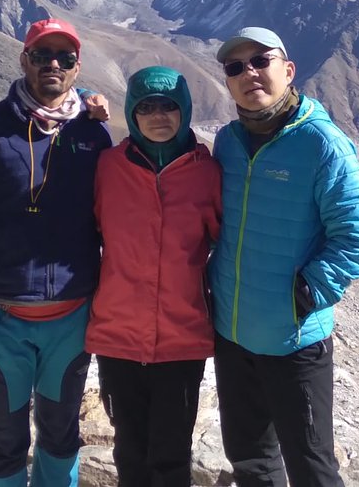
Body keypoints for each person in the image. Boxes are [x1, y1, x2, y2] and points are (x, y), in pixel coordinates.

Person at [0, 17, 112, 487]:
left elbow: (111, 222)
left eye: (65, 58)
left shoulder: (93, 136)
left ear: (78, 69)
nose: (53, 65)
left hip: (72, 317)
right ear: (24, 61)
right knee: (1, 438)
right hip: (1, 318)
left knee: (61, 436)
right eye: (42, 55)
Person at [209, 27, 359, 487]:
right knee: (250, 459)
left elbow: (356, 240)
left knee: (312, 468)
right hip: (233, 334)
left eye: (261, 61)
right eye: (235, 67)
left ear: (288, 69)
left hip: (294, 341)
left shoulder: (323, 144)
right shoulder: (227, 142)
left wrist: (305, 294)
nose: (250, 73)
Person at [85, 66, 222, 486]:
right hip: (119, 335)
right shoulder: (107, 167)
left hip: (182, 337)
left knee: (171, 456)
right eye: (146, 107)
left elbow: (229, 244)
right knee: (130, 451)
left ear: (184, 111)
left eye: (169, 106)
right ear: (132, 112)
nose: (159, 116)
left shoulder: (208, 172)